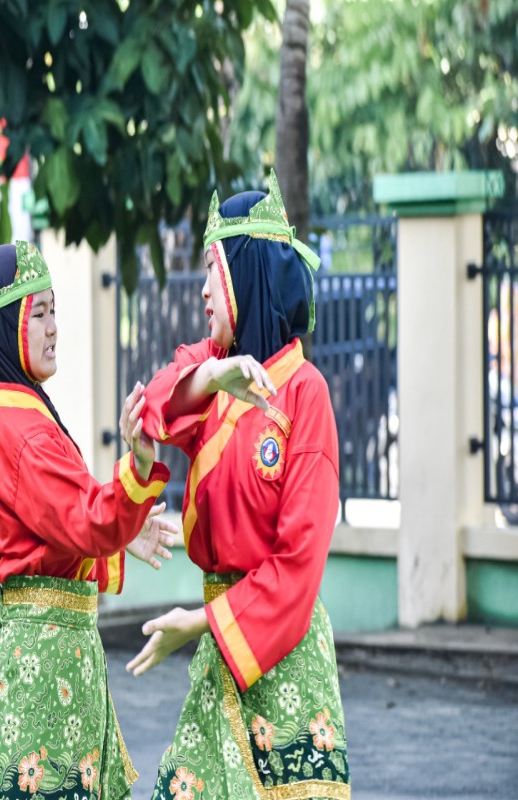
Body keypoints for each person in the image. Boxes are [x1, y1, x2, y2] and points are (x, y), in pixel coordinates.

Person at [126, 172, 351, 799]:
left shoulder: (306, 396)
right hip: (222, 651)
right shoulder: (219, 378)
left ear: (245, 276)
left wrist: (199, 624)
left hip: (283, 662)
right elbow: (156, 409)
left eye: (211, 272)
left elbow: (298, 564)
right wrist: (215, 374)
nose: (201, 291)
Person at [0, 235, 176, 800]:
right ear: (6, 327)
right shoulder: (22, 431)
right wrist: (140, 467)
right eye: (39, 314)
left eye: (55, 311)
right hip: (46, 665)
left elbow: (50, 543)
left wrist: (124, 533)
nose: (54, 328)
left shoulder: (15, 417)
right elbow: (86, 520)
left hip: (53, 654)